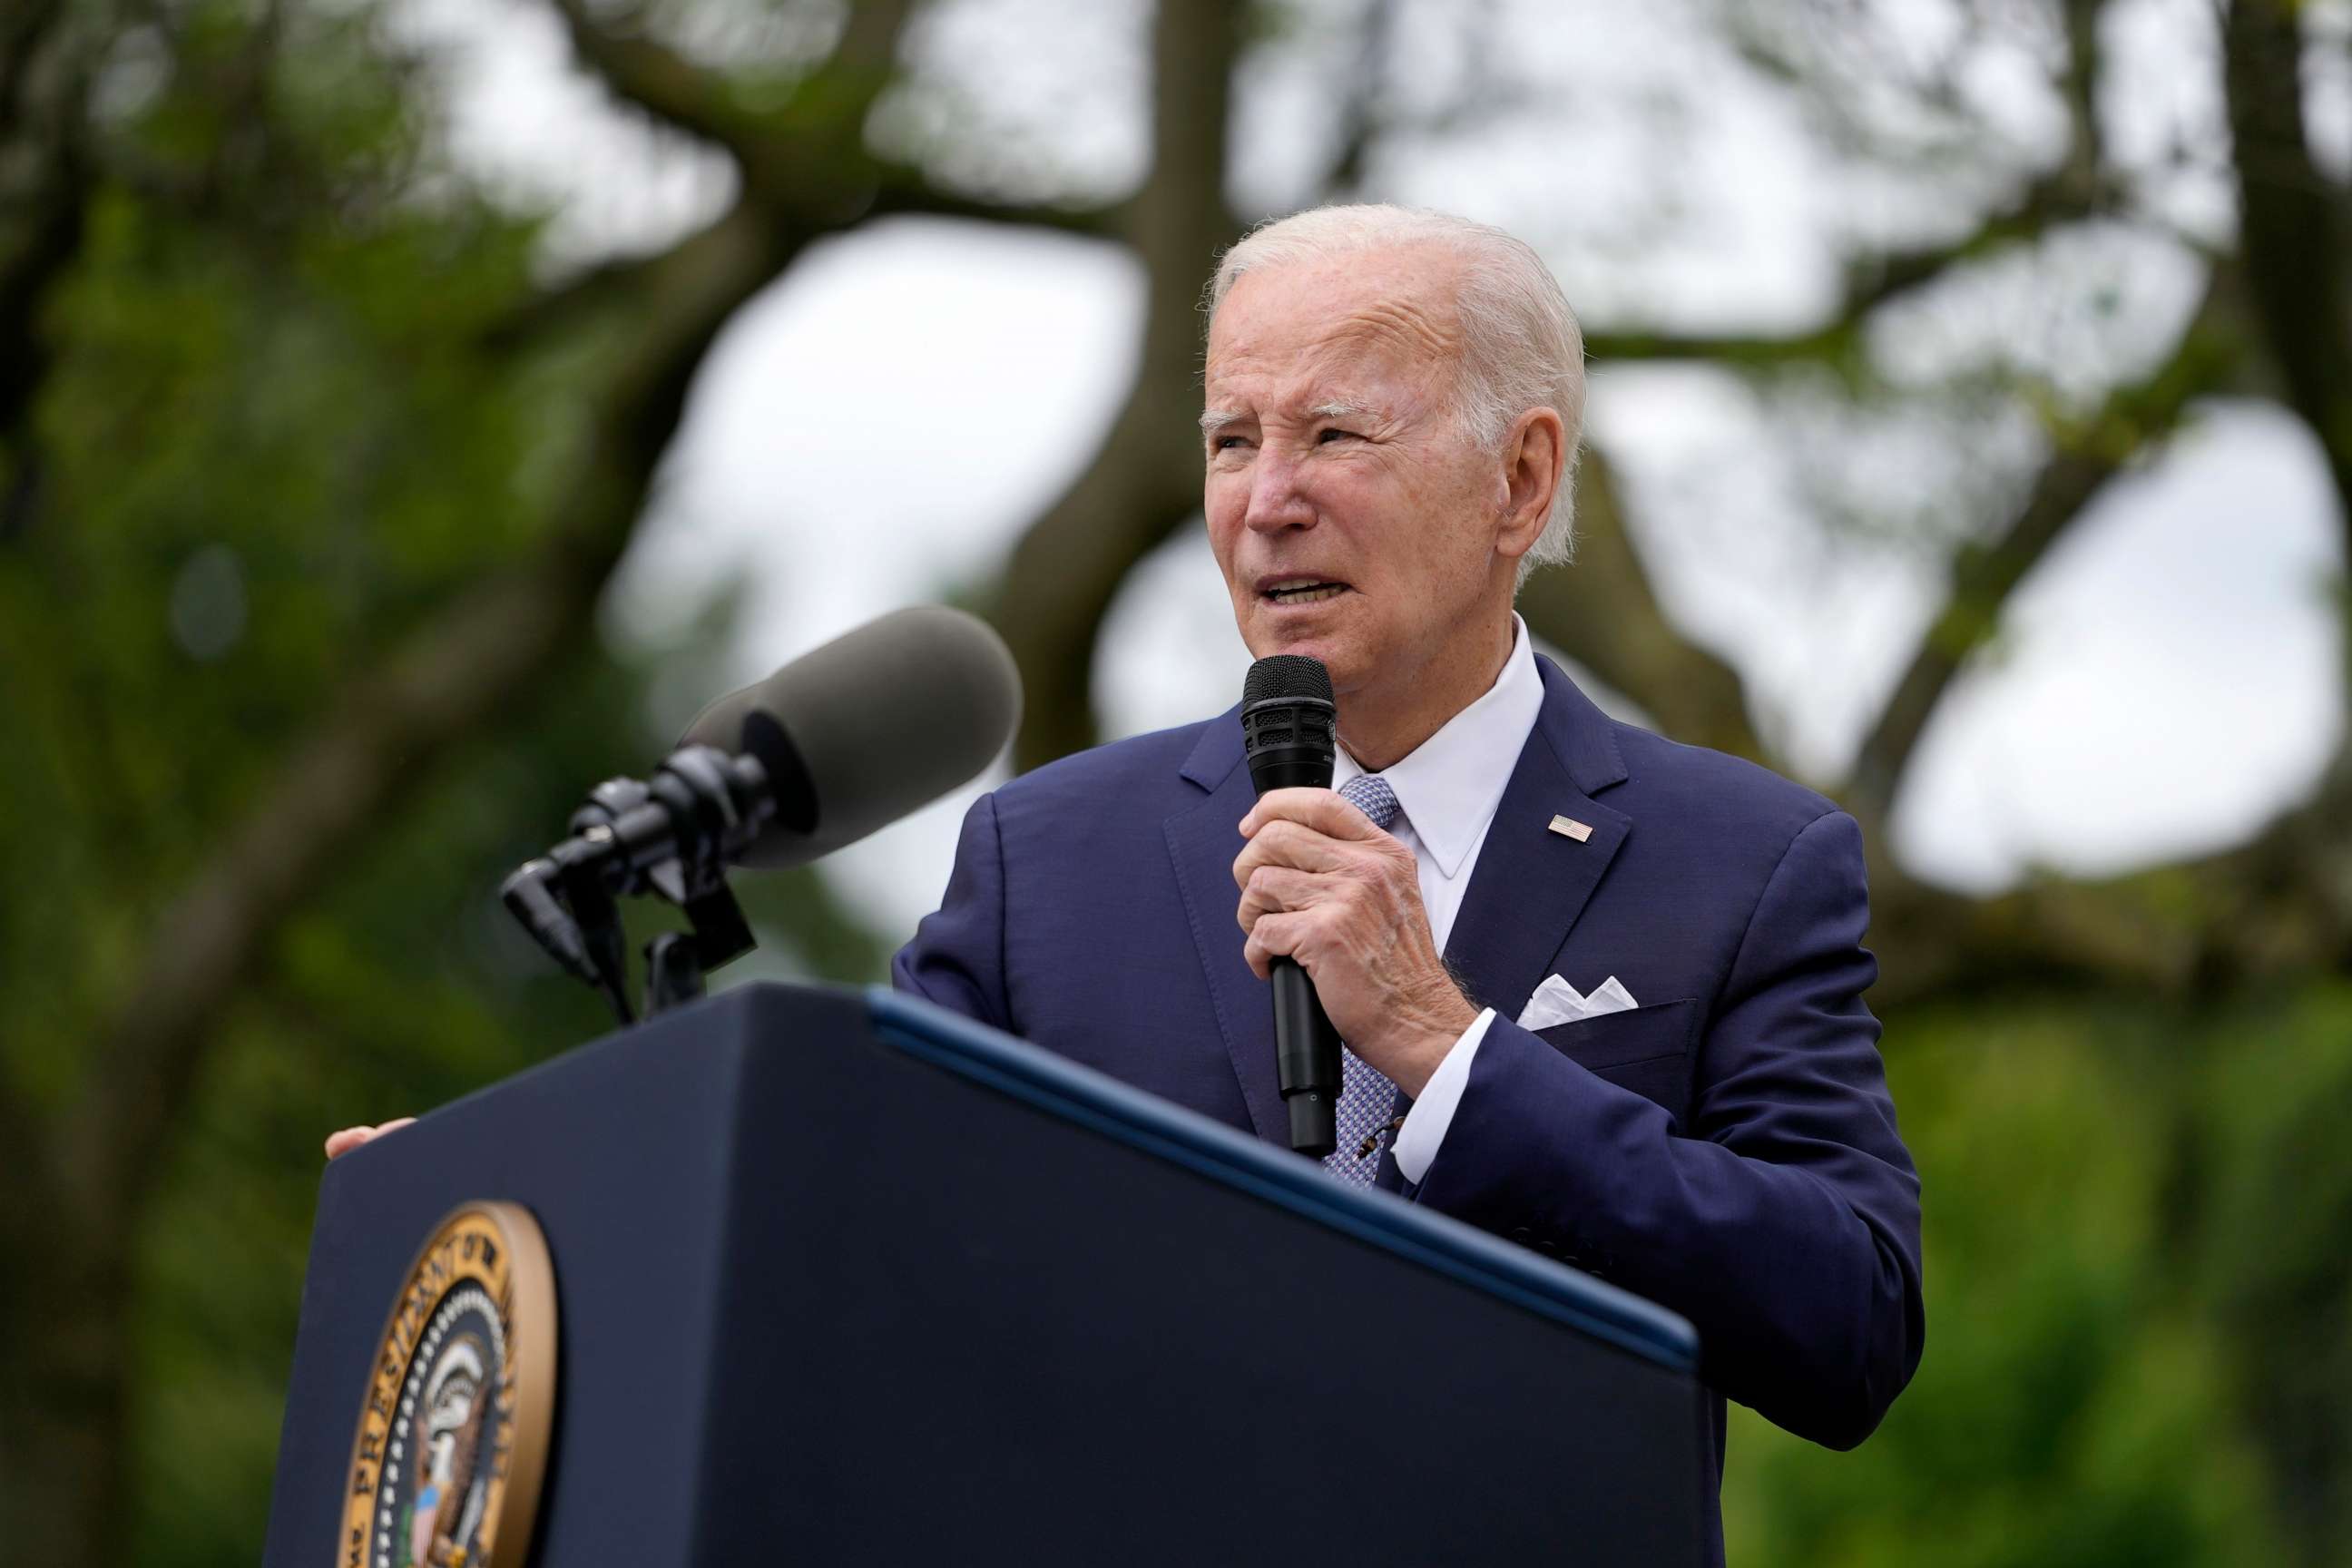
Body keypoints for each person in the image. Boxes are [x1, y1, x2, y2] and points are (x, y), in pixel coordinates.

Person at [334, 204, 1922, 1563]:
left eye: (1334, 435)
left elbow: (1847, 1323)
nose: (1263, 500)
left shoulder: (1742, 862)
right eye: (1233, 438)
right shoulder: (1049, 859)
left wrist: (1448, 1055)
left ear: (1519, 481)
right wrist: (537, 1208)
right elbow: (842, 1252)